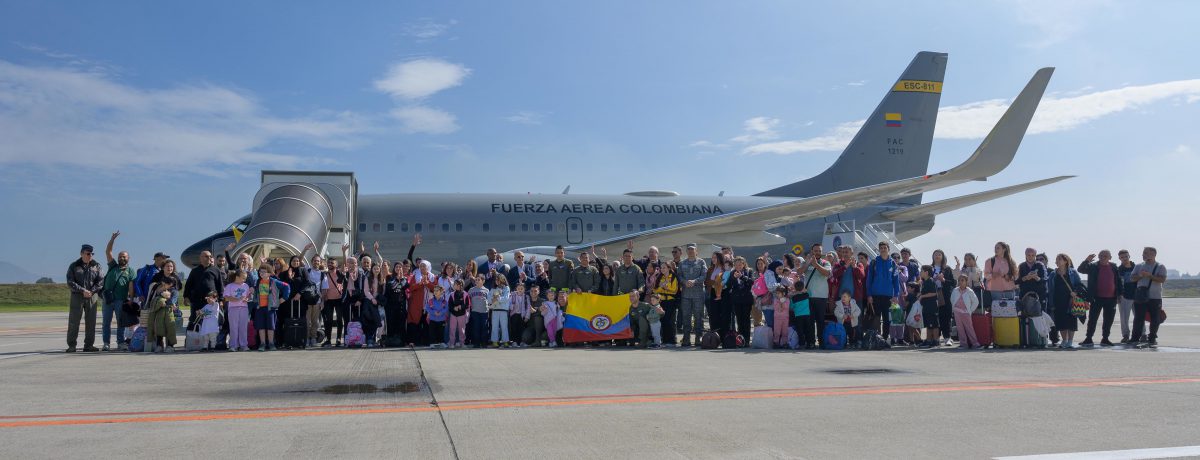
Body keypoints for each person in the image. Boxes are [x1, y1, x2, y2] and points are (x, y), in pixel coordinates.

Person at [66, 244, 104, 353]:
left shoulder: (97, 266)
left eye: (92, 254)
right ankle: (72, 345)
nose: (90, 255)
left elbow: (100, 281)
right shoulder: (74, 265)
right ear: (81, 253)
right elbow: (70, 281)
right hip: (77, 296)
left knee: (91, 322)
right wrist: (82, 290)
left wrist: (91, 291)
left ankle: (89, 345)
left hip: (92, 296)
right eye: (88, 253)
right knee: (74, 322)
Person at [1078, 250, 1121, 346]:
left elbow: (1118, 281)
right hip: (1096, 298)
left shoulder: (1114, 267)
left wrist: (1119, 294)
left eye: (1105, 256)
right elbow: (1080, 270)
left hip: (1111, 298)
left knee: (1108, 320)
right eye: (1101, 256)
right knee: (1093, 319)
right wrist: (1087, 261)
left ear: (1110, 257)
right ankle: (1089, 338)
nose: (1103, 257)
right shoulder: (1093, 266)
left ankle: (1105, 338)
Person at [102, 232, 135, 351]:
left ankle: (120, 342)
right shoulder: (113, 266)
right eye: (120, 256)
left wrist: (131, 299)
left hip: (120, 300)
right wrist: (112, 239)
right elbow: (108, 252)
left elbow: (131, 286)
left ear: (128, 258)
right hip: (108, 299)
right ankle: (106, 343)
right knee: (106, 322)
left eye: (124, 256)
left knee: (121, 322)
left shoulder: (131, 271)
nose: (122, 258)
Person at [1129, 247, 1166, 347]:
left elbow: (1162, 279)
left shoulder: (1160, 266)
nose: (1143, 255)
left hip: (1155, 297)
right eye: (1143, 253)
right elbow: (1132, 278)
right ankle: (1134, 338)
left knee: (1155, 319)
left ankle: (1152, 337)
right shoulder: (1138, 266)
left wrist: (1150, 276)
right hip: (1141, 296)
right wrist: (1140, 276)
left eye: (1146, 253)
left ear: (1153, 254)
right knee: (1138, 318)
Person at [865, 242, 901, 342]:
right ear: (879, 250)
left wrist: (896, 295)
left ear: (888, 249)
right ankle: (875, 338)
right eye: (881, 248)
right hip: (876, 294)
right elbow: (869, 279)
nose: (883, 249)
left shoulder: (893, 263)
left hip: (888, 296)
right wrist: (869, 294)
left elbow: (896, 280)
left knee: (887, 319)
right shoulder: (874, 262)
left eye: (885, 248)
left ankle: (884, 339)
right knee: (876, 318)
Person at [1047, 254, 1085, 348]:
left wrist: (1075, 292)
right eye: (1056, 259)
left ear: (1066, 261)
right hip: (1058, 300)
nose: (1057, 261)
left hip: (1070, 300)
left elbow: (1079, 284)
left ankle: (1070, 341)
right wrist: (1051, 302)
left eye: (1060, 259)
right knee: (1060, 321)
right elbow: (1050, 289)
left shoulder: (1073, 272)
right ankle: (1064, 340)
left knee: (1071, 320)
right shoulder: (1053, 274)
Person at [799, 244, 832, 348]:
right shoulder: (806, 262)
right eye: (815, 250)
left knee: (820, 321)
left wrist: (816, 264)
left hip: (821, 297)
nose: (817, 252)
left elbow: (827, 273)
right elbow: (799, 272)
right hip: (808, 296)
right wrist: (808, 263)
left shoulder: (825, 262)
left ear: (821, 252)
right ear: (812, 251)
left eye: (819, 251)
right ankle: (811, 342)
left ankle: (822, 342)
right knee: (809, 321)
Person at [252, 264, 290, 351]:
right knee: (261, 327)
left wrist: (283, 299)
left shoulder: (274, 281)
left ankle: (271, 343)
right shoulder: (258, 281)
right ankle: (262, 344)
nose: (261, 273)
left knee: (270, 327)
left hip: (270, 308)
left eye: (264, 272)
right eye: (260, 271)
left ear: (269, 273)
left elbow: (286, 286)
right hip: (259, 308)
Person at [1018, 247, 1051, 344]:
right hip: (1025, 296)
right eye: (1028, 255)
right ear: (1025, 255)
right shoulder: (1022, 266)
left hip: (1039, 296)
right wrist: (1025, 278)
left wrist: (1036, 278)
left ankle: (1043, 340)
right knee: (1025, 317)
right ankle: (1027, 340)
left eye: (1033, 255)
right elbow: (1017, 280)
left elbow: (1045, 279)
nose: (1031, 257)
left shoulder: (1040, 265)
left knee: (1041, 316)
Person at [184, 250, 224, 326]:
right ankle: (194, 337)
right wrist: (186, 297)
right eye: (206, 256)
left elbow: (220, 286)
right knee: (195, 321)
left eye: (210, 256)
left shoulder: (216, 270)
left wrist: (221, 300)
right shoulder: (194, 271)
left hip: (210, 301)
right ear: (201, 258)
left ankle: (209, 338)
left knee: (210, 321)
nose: (209, 258)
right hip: (197, 302)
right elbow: (188, 285)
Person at [726, 257, 755, 342]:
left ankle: (746, 339)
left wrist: (742, 276)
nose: (738, 266)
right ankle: (740, 340)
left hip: (746, 299)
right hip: (737, 299)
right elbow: (728, 286)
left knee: (746, 319)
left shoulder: (749, 271)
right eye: (736, 265)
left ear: (743, 264)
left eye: (740, 264)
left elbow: (752, 282)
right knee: (739, 319)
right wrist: (733, 278)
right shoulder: (732, 273)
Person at [146, 277, 178, 353]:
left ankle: (170, 346)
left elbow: (172, 301)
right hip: (159, 313)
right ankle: (159, 345)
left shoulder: (174, 291)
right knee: (159, 329)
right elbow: (155, 298)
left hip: (169, 313)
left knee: (170, 329)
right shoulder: (160, 290)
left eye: (165, 284)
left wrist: (164, 301)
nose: (163, 285)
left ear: (170, 284)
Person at [223, 270, 252, 352]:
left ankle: (243, 345)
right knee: (233, 327)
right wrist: (237, 299)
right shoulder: (230, 286)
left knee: (243, 327)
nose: (244, 280)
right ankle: (233, 345)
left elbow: (248, 296)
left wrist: (247, 299)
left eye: (245, 278)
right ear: (237, 277)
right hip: (233, 309)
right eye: (243, 278)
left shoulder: (246, 285)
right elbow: (226, 297)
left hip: (244, 308)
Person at [930, 250, 955, 344]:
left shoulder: (947, 268)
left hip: (944, 295)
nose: (937, 256)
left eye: (939, 254)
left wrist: (943, 280)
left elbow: (953, 283)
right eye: (935, 254)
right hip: (932, 295)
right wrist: (933, 279)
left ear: (943, 256)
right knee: (935, 316)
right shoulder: (930, 268)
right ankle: (935, 338)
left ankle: (947, 337)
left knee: (946, 316)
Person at [950, 274, 981, 349]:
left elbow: (975, 302)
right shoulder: (955, 290)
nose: (960, 282)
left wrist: (970, 310)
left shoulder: (969, 291)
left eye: (962, 280)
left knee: (969, 328)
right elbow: (952, 299)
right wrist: (954, 308)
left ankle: (975, 344)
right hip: (957, 312)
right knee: (960, 329)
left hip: (966, 312)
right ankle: (963, 344)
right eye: (959, 280)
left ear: (966, 282)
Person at [984, 242, 1019, 306]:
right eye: (995, 248)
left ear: (1004, 249)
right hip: (995, 290)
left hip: (1009, 290)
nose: (995, 250)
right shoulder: (990, 261)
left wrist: (1009, 277)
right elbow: (986, 275)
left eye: (998, 248)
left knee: (1010, 310)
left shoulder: (1011, 261)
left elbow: (1016, 277)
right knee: (997, 310)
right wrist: (993, 275)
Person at [654, 261, 679, 346]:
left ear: (669, 268)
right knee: (663, 320)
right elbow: (655, 290)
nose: (662, 269)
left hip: (671, 301)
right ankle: (665, 340)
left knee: (670, 320)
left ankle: (672, 340)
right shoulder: (659, 277)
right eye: (661, 268)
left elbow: (675, 290)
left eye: (664, 267)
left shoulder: (673, 277)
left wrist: (666, 287)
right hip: (662, 301)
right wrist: (661, 287)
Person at [1116, 249, 1138, 344]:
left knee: (1139, 316)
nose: (1124, 259)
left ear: (1129, 256)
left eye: (1126, 256)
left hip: (1137, 295)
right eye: (1122, 257)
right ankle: (1125, 335)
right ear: (1119, 258)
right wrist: (1118, 295)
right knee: (1124, 318)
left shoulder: (1137, 267)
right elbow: (1116, 283)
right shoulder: (1118, 270)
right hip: (1124, 296)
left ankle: (1143, 334)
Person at [323, 259, 345, 347]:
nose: (330, 264)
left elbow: (345, 263)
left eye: (332, 263)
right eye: (329, 263)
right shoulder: (324, 274)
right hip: (328, 300)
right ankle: (328, 339)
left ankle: (338, 339)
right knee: (328, 320)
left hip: (339, 299)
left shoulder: (340, 273)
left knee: (339, 320)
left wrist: (343, 252)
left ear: (336, 264)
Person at [918, 265, 940, 347]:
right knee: (925, 324)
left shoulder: (931, 281)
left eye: (921, 271)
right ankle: (926, 340)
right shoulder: (924, 282)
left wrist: (922, 296)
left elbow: (934, 293)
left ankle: (935, 340)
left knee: (934, 324)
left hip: (931, 306)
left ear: (926, 272)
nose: (920, 272)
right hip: (925, 307)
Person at [467, 275, 491, 348]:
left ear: (483, 281)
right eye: (476, 280)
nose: (477, 281)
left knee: (484, 327)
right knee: (476, 327)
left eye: (478, 280)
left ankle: (484, 343)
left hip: (484, 311)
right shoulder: (471, 290)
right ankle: (476, 343)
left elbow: (489, 301)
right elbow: (468, 300)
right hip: (475, 311)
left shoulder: (486, 290)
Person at [489, 276, 512, 347]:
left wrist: (497, 298)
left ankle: (505, 341)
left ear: (503, 280)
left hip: (503, 310)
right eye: (496, 280)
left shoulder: (506, 288)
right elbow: (489, 299)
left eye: (499, 280)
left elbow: (506, 298)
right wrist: (492, 299)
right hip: (495, 310)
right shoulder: (493, 289)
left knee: (504, 326)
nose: (497, 281)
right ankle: (495, 341)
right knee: (494, 326)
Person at [790, 279, 813, 349]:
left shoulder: (793, 298)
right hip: (807, 315)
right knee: (808, 329)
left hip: (798, 316)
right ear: (803, 287)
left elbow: (791, 307)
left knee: (800, 330)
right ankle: (809, 343)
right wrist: (805, 290)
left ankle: (802, 344)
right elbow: (811, 294)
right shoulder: (807, 294)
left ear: (795, 288)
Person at [509, 283, 531, 347]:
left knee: (521, 328)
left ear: (524, 289)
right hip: (514, 314)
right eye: (518, 289)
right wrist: (512, 306)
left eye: (522, 289)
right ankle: (514, 341)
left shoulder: (526, 297)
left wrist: (527, 317)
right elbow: (509, 304)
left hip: (522, 315)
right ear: (516, 289)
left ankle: (521, 342)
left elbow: (528, 307)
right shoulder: (513, 295)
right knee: (514, 328)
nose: (520, 290)